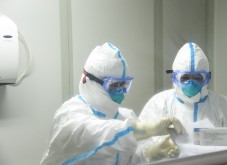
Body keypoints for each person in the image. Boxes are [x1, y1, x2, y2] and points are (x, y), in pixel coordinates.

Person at [40, 42, 185, 165]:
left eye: (124, 85)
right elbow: (94, 134)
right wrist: (145, 129)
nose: (121, 91)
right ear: (88, 80)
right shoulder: (69, 114)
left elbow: (132, 158)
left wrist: (150, 153)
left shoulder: (125, 117)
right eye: (114, 85)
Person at [139, 42, 227, 156]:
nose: (191, 83)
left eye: (197, 78)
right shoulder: (158, 104)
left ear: (207, 78)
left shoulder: (226, 107)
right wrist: (151, 151)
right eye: (185, 77)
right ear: (174, 77)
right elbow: (138, 145)